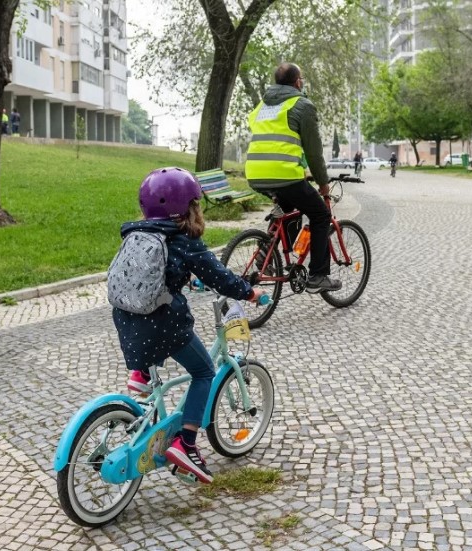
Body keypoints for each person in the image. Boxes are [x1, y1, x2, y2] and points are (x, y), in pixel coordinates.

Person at [116, 167, 265, 484]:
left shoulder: (138, 234)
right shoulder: (184, 241)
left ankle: (140, 373)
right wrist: (250, 292)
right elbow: (220, 278)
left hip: (126, 317)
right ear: (187, 208)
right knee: (204, 372)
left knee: (151, 335)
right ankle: (186, 444)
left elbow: (150, 277)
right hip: (164, 323)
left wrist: (187, 278)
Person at [244, 62, 341, 292]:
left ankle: (265, 256)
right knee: (320, 215)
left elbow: (274, 140)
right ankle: (318, 276)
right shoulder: (302, 105)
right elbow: (314, 151)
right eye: (302, 79)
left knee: (287, 210)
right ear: (298, 82)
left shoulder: (262, 107)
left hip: (256, 174)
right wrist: (323, 182)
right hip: (284, 175)